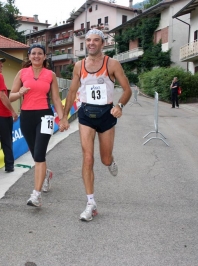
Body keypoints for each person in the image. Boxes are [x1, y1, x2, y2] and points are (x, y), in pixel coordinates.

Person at [59, 29, 132, 221]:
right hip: (86, 115)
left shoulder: (112, 64)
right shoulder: (78, 66)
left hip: (106, 114)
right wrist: (65, 117)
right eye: (88, 40)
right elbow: (71, 91)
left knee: (104, 160)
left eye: (96, 40)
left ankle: (110, 161)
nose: (91, 43)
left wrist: (120, 105)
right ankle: (90, 203)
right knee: (88, 157)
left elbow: (127, 90)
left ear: (102, 43)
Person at [9, 43, 64, 207]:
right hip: (26, 116)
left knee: (39, 154)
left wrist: (61, 118)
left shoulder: (50, 74)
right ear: (29, 56)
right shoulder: (22, 73)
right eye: (33, 54)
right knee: (35, 153)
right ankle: (46, 174)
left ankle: (36, 195)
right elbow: (10, 96)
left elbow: (55, 98)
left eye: (40, 53)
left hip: (45, 116)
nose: (36, 56)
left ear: (45, 56)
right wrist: (20, 93)